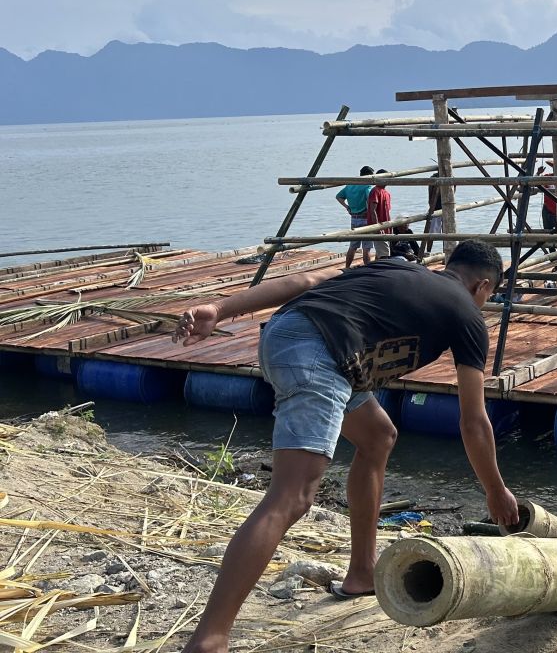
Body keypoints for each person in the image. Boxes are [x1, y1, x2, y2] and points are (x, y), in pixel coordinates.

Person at [171, 239, 519, 653]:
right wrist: (495, 490)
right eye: (489, 296)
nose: (484, 303)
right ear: (483, 286)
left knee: (378, 436)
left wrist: (219, 309)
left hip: (288, 334)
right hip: (319, 354)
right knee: (292, 497)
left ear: (448, 264)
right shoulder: (468, 314)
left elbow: (306, 280)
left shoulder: (394, 266)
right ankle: (210, 638)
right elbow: (473, 421)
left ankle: (362, 572)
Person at [336, 166, 376, 269]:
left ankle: (347, 267)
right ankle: (367, 269)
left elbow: (338, 196)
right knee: (366, 247)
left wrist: (347, 207)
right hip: (365, 218)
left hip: (354, 218)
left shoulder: (350, 185)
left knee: (353, 246)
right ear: (369, 176)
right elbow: (370, 200)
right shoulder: (367, 186)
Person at [366, 168, 392, 262]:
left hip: (385, 226)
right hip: (379, 226)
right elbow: (373, 210)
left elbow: (387, 211)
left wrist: (390, 226)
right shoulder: (375, 191)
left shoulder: (386, 193)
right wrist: (377, 227)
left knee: (381, 252)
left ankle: (376, 267)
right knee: (384, 254)